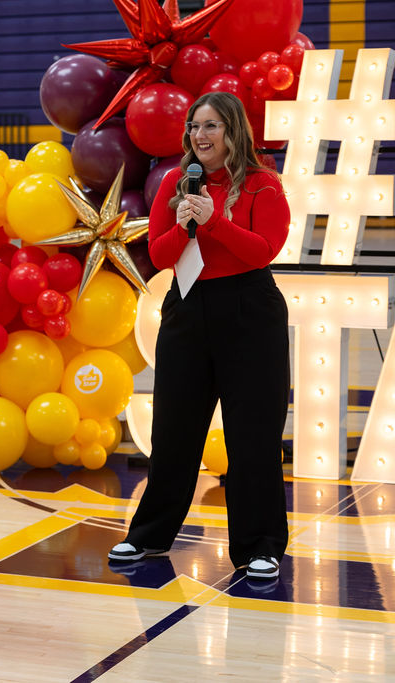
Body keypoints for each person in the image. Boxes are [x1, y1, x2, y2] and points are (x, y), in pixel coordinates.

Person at [107, 91, 291, 581]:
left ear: (233, 132)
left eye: (211, 126)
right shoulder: (175, 181)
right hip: (188, 308)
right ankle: (147, 536)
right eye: (194, 127)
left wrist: (215, 221)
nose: (200, 136)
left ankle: (260, 546)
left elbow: (263, 251)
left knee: (252, 435)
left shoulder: (261, 186)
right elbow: (163, 254)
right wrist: (188, 223)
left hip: (251, 310)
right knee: (174, 431)